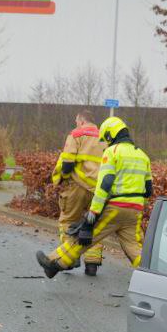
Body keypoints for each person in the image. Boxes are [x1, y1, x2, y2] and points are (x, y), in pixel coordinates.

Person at [36, 116, 152, 278]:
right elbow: (148, 190)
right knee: (134, 247)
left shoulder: (112, 152)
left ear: (111, 135)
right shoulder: (142, 155)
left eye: (107, 139)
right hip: (136, 210)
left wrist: (92, 215)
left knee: (85, 237)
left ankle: (54, 262)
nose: (106, 144)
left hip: (115, 207)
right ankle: (154, 276)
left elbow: (104, 185)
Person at [49, 111, 107, 276]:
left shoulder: (76, 134)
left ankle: (69, 259)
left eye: (76, 121)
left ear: (81, 120)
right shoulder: (105, 137)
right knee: (93, 224)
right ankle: (92, 264)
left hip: (77, 186)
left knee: (68, 220)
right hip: (99, 190)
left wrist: (64, 178)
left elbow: (67, 164)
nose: (76, 124)